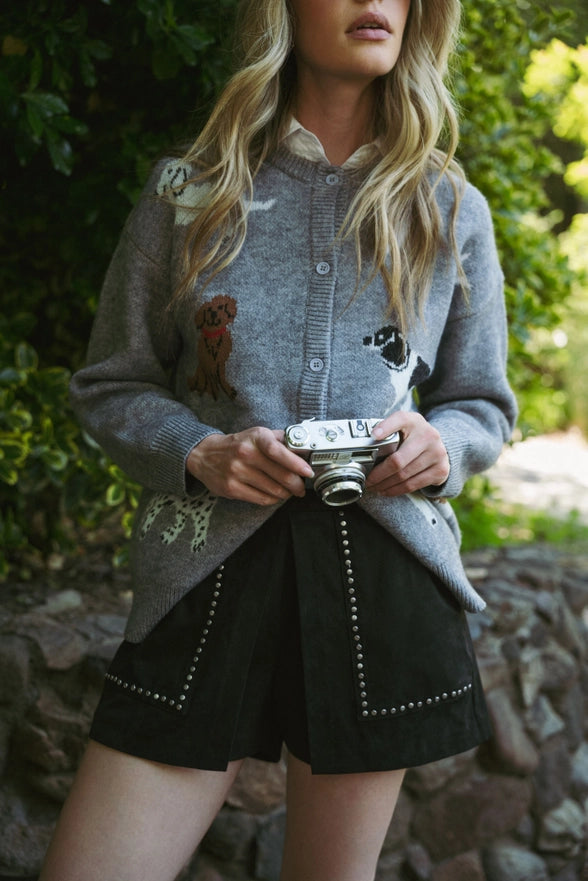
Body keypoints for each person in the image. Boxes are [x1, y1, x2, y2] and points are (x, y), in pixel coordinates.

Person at [40, 1, 517, 879]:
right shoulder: (187, 192)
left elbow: (481, 403)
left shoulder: (450, 206)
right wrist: (197, 449)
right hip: (205, 574)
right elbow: (111, 382)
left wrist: (440, 446)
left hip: (381, 577)